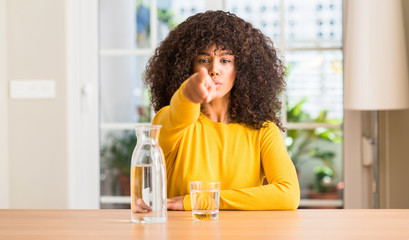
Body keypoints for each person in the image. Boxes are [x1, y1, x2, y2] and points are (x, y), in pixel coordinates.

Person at [144, 10, 300, 211]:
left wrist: (201, 200)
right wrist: (189, 91)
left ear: (242, 69)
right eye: (203, 60)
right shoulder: (169, 120)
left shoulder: (263, 130)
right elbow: (181, 112)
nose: (213, 69)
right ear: (186, 66)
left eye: (225, 60)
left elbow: (288, 195)